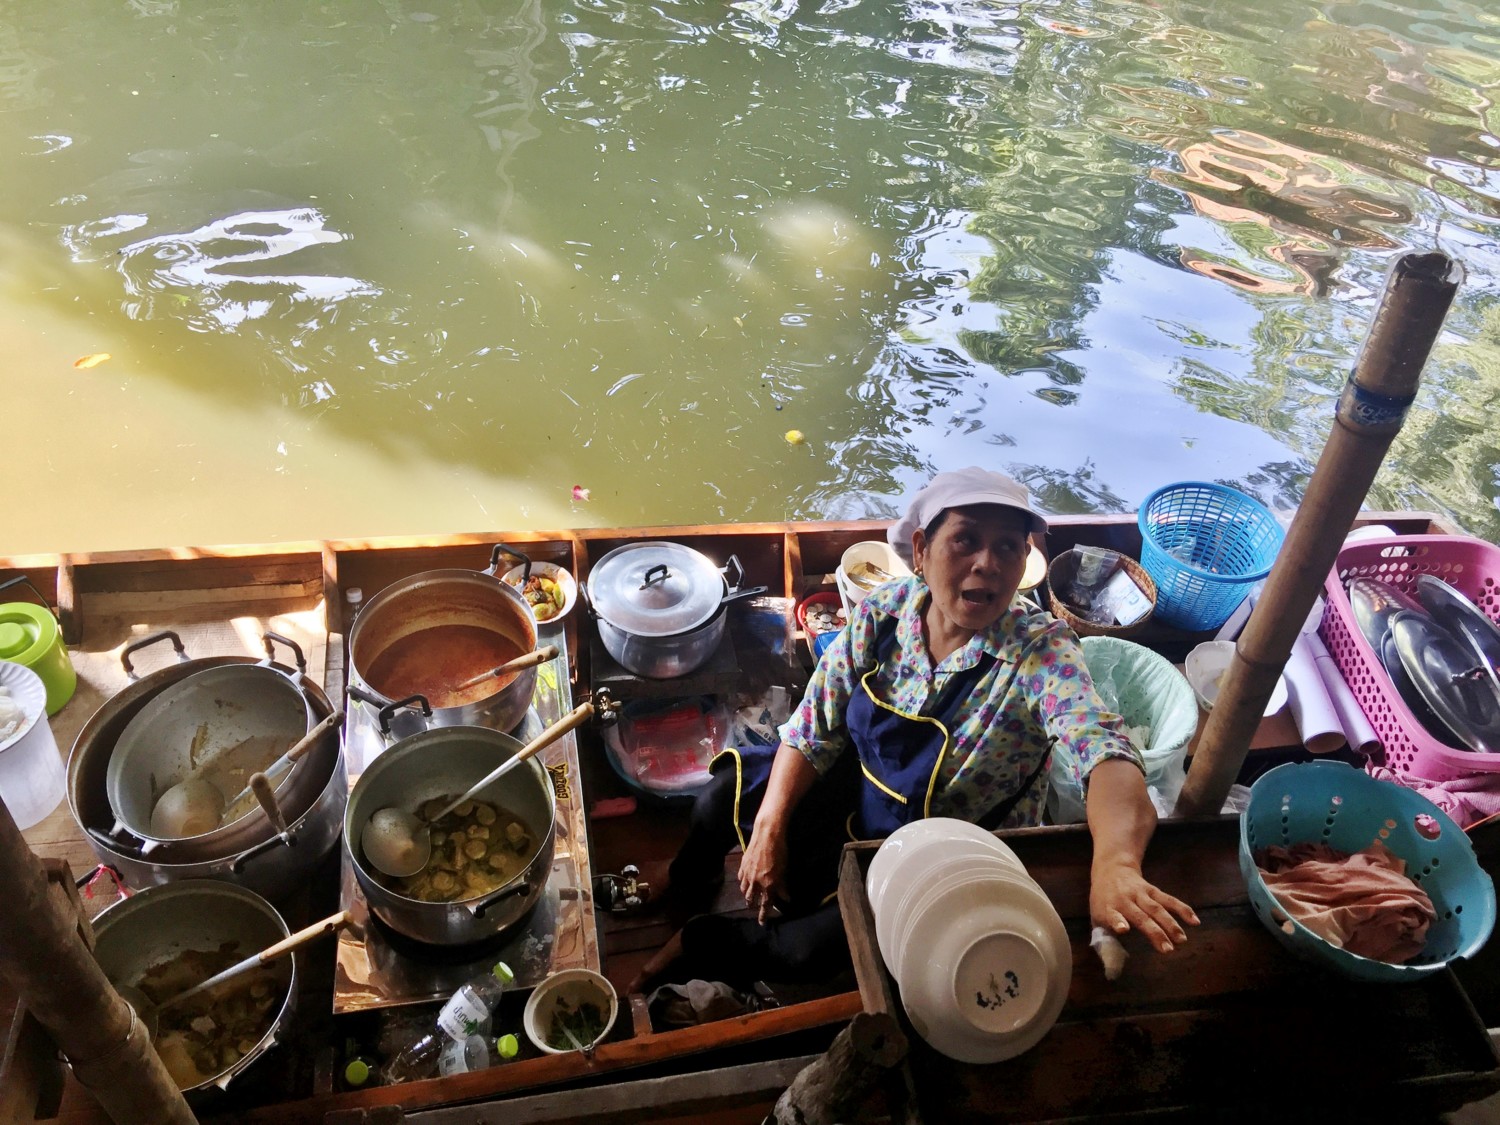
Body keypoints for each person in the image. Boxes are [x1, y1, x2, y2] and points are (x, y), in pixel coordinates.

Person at [630, 467, 1197, 993]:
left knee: (801, 956)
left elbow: (1106, 753)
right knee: (711, 805)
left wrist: (1116, 865)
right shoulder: (885, 613)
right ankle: (688, 887)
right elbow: (811, 728)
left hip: (945, 848)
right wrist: (770, 828)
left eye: (1008, 548)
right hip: (862, 788)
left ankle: (696, 941)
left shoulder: (1040, 653)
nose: (988, 563)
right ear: (922, 551)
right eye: (966, 540)